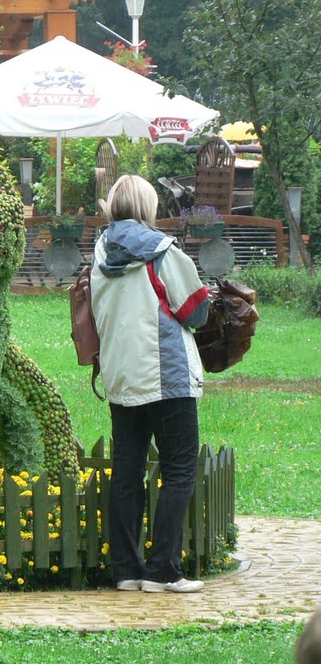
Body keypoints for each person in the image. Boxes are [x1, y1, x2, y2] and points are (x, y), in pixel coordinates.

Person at [91, 174, 211, 594]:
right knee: (179, 469)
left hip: (121, 374)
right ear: (148, 206)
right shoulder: (164, 252)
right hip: (167, 374)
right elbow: (195, 312)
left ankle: (126, 570)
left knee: (127, 472)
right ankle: (163, 571)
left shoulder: (99, 251)